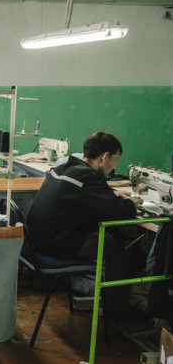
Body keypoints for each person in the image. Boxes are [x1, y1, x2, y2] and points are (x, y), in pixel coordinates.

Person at [26, 131, 143, 316]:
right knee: (121, 247)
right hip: (55, 245)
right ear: (105, 157)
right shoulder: (89, 177)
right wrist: (130, 202)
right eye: (115, 160)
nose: (114, 167)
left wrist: (113, 196)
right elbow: (125, 212)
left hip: (35, 242)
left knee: (108, 234)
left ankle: (104, 295)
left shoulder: (65, 168)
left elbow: (87, 195)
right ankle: (117, 311)